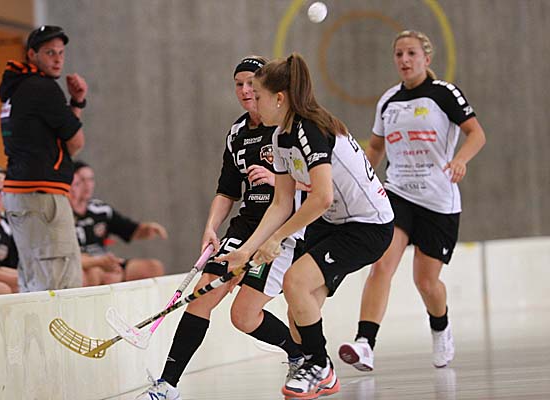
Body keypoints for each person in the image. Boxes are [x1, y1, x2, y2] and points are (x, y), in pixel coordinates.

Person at [219, 52, 395, 399]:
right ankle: (318, 371)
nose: (253, 100)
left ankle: (319, 367)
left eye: (259, 94)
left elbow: (322, 197)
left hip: (367, 225)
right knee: (298, 311)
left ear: (279, 98)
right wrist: (247, 250)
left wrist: (276, 239)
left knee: (294, 281)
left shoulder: (309, 130)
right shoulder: (280, 137)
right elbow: (281, 203)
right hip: (333, 223)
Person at [141, 56, 305, 400]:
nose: (245, 91)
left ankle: (299, 355)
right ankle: (167, 385)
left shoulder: (289, 126)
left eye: (252, 84)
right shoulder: (237, 133)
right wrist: (211, 228)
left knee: (243, 317)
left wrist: (277, 179)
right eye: (238, 84)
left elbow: (316, 182)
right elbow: (227, 190)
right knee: (202, 295)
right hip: (244, 227)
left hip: (281, 231)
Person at [338, 30, 486, 371]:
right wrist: (356, 182)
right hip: (398, 193)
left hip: (438, 199)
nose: (404, 60)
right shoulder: (389, 100)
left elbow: (476, 133)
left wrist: (460, 159)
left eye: (411, 53)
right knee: (382, 265)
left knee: (426, 282)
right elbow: (376, 148)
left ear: (426, 58)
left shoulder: (444, 93)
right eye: (399, 54)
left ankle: (441, 328)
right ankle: (365, 343)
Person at [0, 25, 88, 292]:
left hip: (18, 194)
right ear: (32, 54)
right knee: (59, 284)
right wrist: (77, 105)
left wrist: (75, 102)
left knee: (33, 278)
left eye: (61, 53)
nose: (58, 59)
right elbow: (75, 143)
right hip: (41, 195)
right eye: (50, 53)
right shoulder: (43, 88)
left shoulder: (16, 86)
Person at [69, 161, 166, 285]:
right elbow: (67, 258)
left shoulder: (101, 209)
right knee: (92, 273)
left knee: (153, 267)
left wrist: (147, 229)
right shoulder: (61, 215)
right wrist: (98, 263)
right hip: (84, 264)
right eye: (80, 181)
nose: (87, 185)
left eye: (91, 179)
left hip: (105, 260)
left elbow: (129, 229)